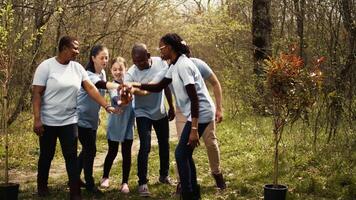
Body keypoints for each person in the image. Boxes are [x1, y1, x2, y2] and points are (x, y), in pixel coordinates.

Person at [132, 33, 215, 200]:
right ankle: (192, 192)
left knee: (180, 154)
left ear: (169, 47)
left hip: (202, 113)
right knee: (185, 154)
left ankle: (188, 193)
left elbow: (195, 99)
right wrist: (135, 84)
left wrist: (193, 129)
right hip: (196, 113)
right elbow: (159, 86)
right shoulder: (173, 65)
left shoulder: (184, 65)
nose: (160, 51)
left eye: (161, 47)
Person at [32, 36, 115, 200]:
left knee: (70, 156)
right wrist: (37, 118)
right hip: (48, 121)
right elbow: (36, 94)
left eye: (78, 48)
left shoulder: (77, 68)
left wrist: (106, 106)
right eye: (74, 48)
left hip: (69, 120)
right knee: (46, 155)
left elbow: (91, 88)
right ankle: (42, 186)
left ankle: (75, 192)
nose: (77, 51)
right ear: (63, 48)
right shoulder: (46, 66)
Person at [124, 43, 175, 197]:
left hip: (159, 111)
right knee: (145, 146)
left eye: (141, 60)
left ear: (148, 55)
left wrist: (171, 106)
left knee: (164, 144)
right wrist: (131, 91)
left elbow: (164, 86)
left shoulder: (160, 63)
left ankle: (164, 175)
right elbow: (130, 89)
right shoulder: (131, 73)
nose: (138, 64)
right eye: (135, 61)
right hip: (142, 112)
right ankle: (142, 183)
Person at [175, 57, 226, 191]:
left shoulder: (197, 64)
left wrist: (219, 108)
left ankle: (217, 173)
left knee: (210, 142)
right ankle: (183, 181)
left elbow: (215, 83)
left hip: (202, 108)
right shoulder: (170, 66)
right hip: (182, 109)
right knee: (183, 146)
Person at [76, 45, 122, 193]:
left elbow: (107, 90)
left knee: (87, 149)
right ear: (93, 58)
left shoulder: (102, 72)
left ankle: (74, 178)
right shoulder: (87, 75)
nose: (105, 60)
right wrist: (118, 86)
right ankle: (90, 184)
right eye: (102, 57)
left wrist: (117, 101)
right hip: (80, 117)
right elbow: (100, 85)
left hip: (92, 118)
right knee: (91, 149)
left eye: (106, 57)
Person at [99, 57, 135, 194]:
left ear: (125, 69)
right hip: (115, 123)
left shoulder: (131, 84)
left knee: (126, 154)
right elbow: (115, 99)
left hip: (128, 123)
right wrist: (122, 101)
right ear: (111, 71)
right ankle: (105, 177)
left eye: (120, 69)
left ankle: (125, 182)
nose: (118, 72)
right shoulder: (112, 85)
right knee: (112, 151)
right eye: (115, 69)